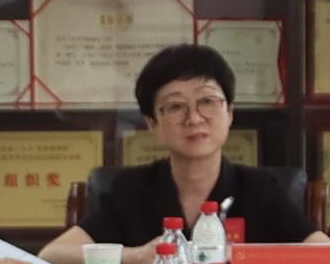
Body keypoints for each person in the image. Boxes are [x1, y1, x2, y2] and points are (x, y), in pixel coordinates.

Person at [73, 42, 316, 248]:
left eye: (207, 101)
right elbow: (58, 252)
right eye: (176, 106)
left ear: (229, 113)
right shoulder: (131, 189)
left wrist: (244, 259)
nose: (194, 118)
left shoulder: (259, 190)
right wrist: (135, 257)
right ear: (152, 123)